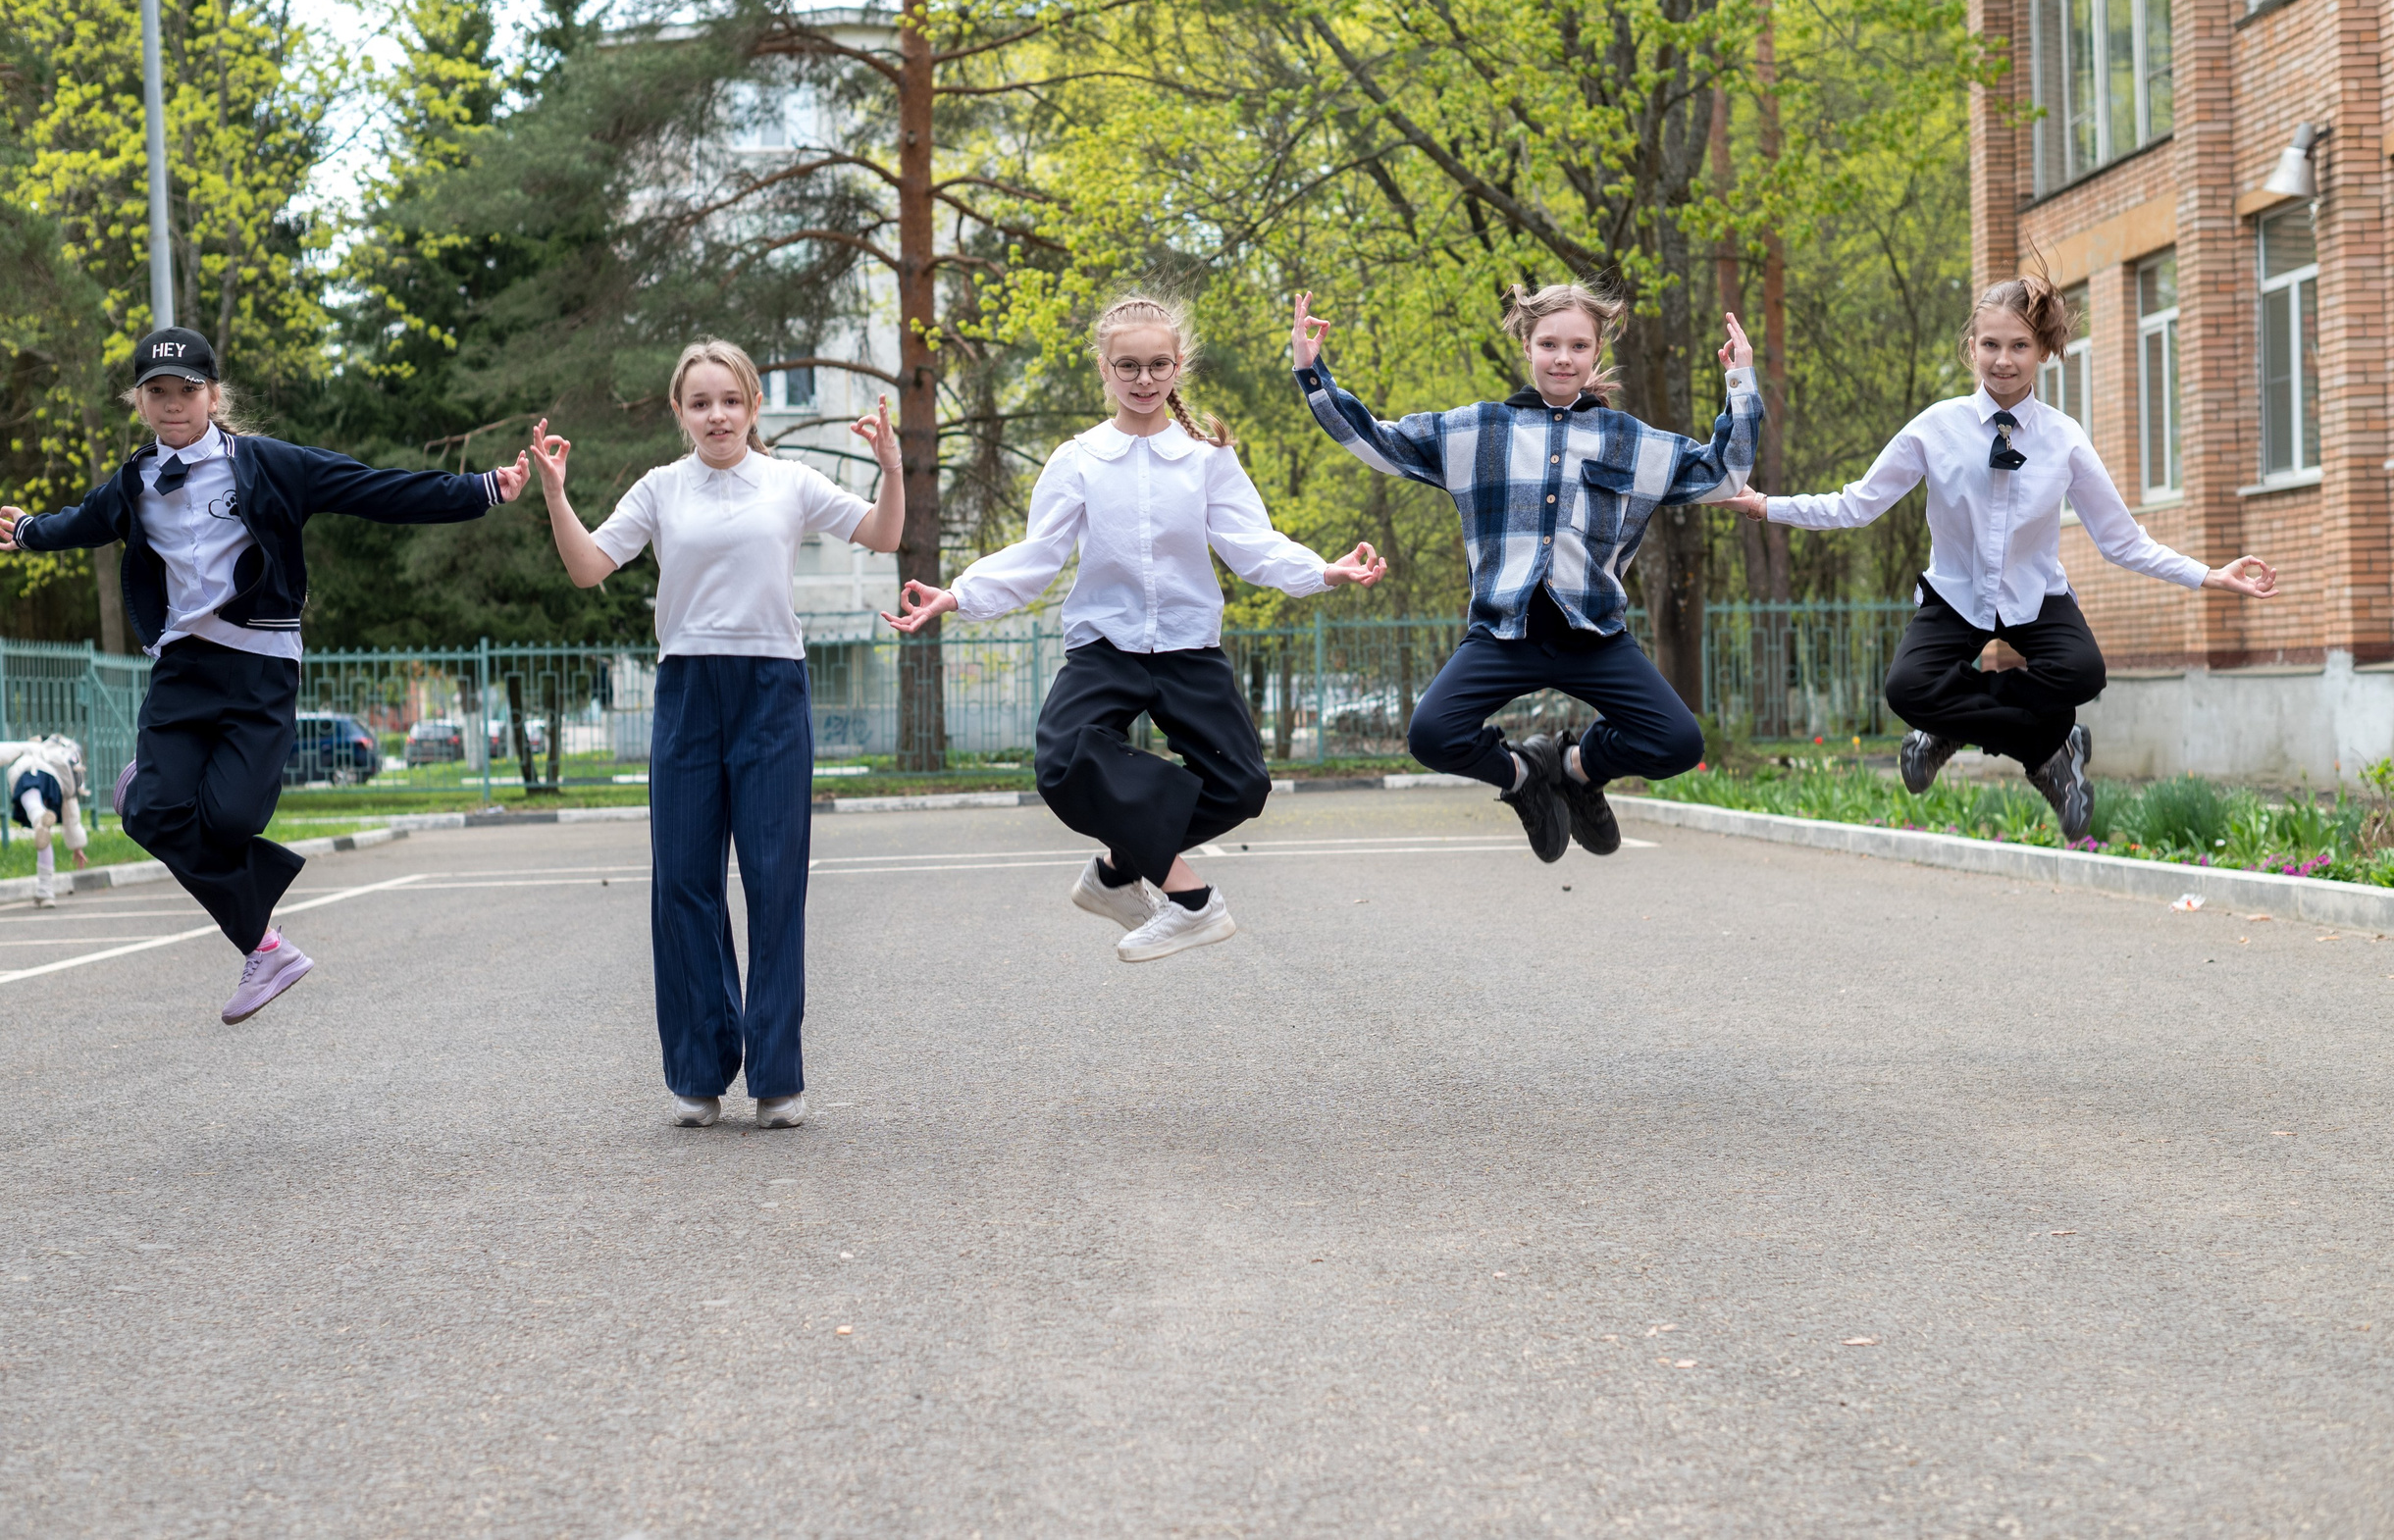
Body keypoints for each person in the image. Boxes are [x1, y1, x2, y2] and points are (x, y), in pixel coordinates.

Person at [0, 326, 531, 1021]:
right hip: (183, 668)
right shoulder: (134, 483)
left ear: (213, 395)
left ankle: (215, 880)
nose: (172, 404)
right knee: (157, 811)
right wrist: (28, 531)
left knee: (233, 818)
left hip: (260, 666)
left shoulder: (270, 465)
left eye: (186, 390)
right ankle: (263, 942)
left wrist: (485, 487)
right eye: (156, 392)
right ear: (139, 401)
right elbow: (82, 522)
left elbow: (375, 490)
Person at [884, 294, 1388, 960]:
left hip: (1188, 647)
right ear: (1104, 368)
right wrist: (956, 594)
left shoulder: (1206, 456)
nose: (1143, 379)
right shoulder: (1079, 459)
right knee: (1063, 759)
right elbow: (1038, 555)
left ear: (1177, 367)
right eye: (1128, 366)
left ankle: (1118, 874)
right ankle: (1192, 899)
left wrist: (1323, 571)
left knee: (1242, 784)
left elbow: (1251, 543)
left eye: (1157, 365)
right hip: (1106, 646)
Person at [1723, 274, 2280, 840]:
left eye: (2019, 346)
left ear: (2041, 352)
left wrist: (2209, 575)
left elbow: (2121, 541)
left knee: (2083, 672)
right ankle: (2048, 748)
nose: (2004, 361)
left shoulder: (2064, 440)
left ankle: (1946, 730)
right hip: (1955, 595)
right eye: (1991, 345)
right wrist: (1768, 506)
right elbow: (1858, 504)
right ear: (1972, 348)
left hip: (2035, 597)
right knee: (1907, 690)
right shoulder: (1936, 429)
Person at [530, 341, 906, 1131]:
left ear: (754, 405)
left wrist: (892, 469)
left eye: (730, 400)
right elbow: (590, 567)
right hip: (688, 690)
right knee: (684, 884)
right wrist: (557, 496)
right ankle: (699, 1070)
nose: (717, 416)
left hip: (772, 690)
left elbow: (880, 534)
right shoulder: (662, 488)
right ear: (680, 411)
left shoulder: (790, 481)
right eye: (700, 402)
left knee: (775, 884)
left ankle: (777, 1077)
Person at [1290, 285, 1760, 863]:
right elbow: (1377, 441)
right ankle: (1524, 776)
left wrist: (1740, 384)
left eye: (1578, 345)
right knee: (1431, 734)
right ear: (1527, 346)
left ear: (1595, 352)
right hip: (1504, 632)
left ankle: (1576, 768)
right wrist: (1313, 373)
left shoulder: (1633, 441)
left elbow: (1724, 476)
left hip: (1593, 635)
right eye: (1549, 344)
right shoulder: (1474, 432)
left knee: (1678, 742)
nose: (1563, 357)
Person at [0, 734, 90, 907]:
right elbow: (72, 813)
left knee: (35, 812)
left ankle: (38, 817)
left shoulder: (31, 748)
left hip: (29, 775)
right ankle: (45, 891)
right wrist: (77, 845)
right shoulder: (61, 763)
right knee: (43, 834)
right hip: (55, 785)